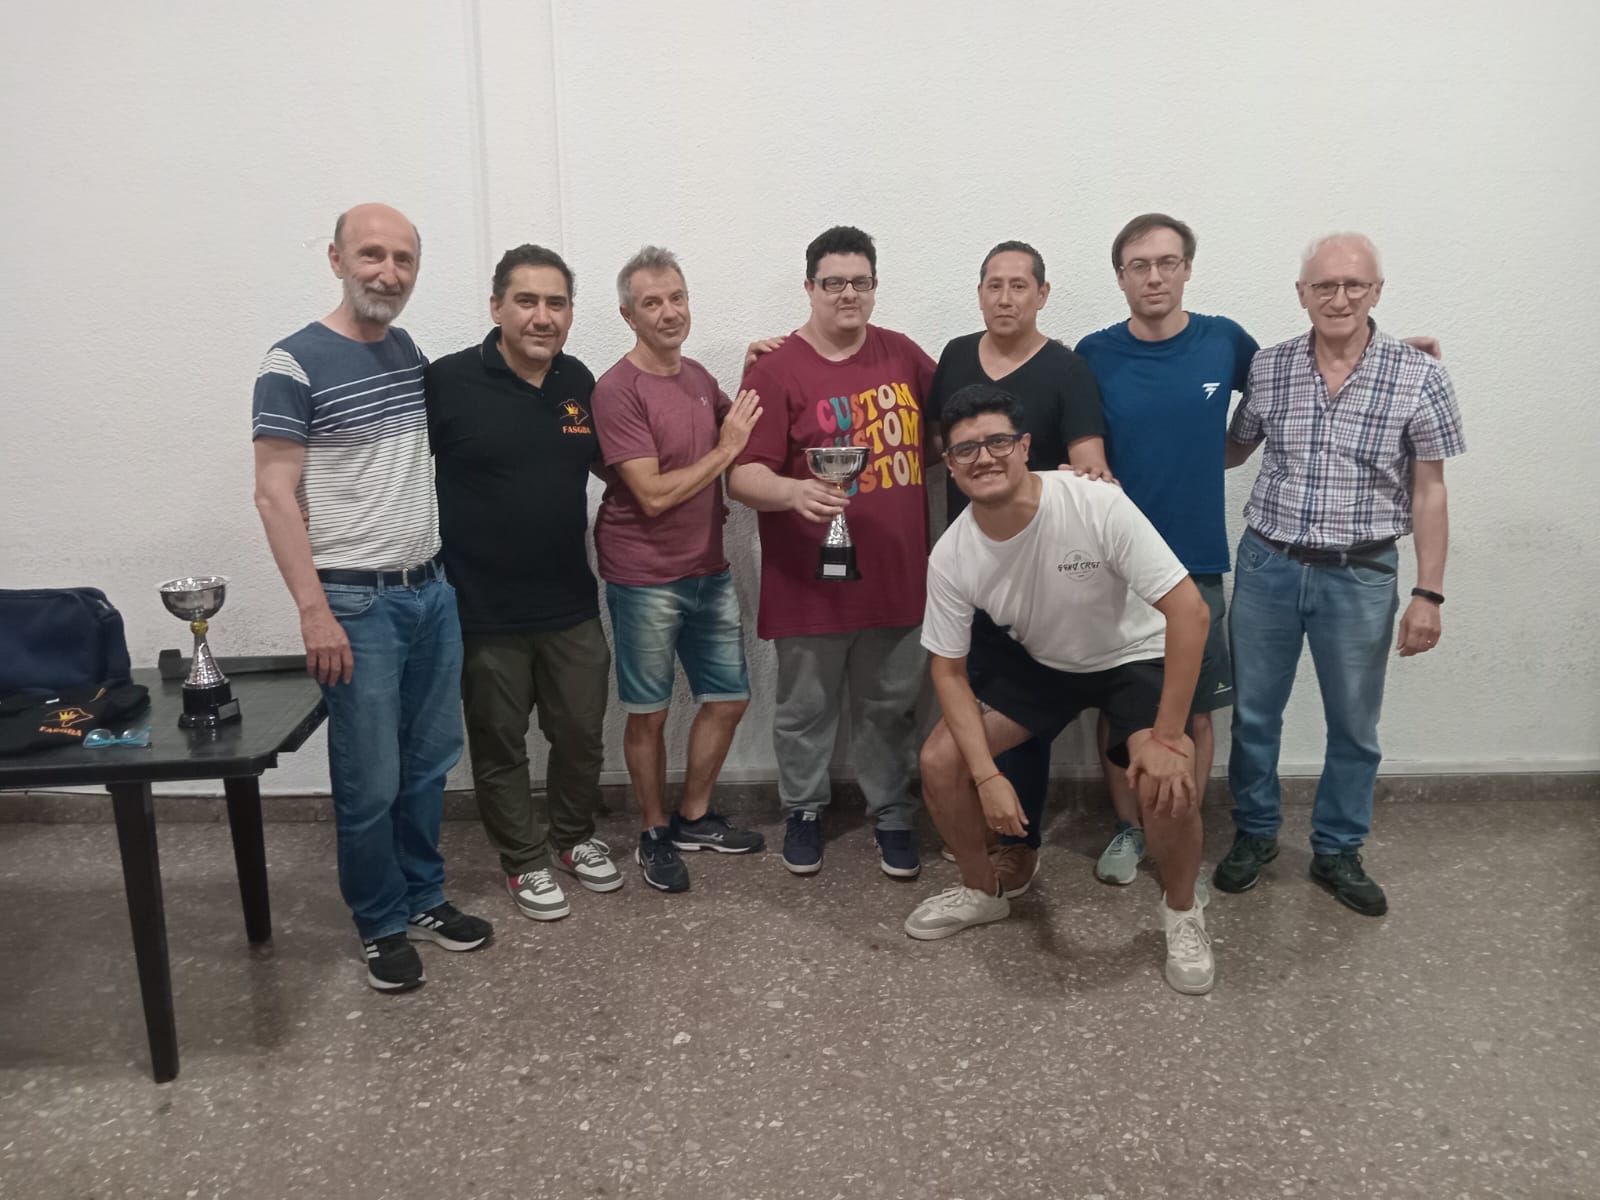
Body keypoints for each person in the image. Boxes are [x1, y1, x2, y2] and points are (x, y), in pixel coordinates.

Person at [252, 203, 492, 994]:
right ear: (336, 258)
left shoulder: (405, 350)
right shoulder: (293, 363)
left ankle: (423, 896)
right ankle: (381, 922)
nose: (388, 273)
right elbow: (274, 494)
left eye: (403, 259)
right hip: (355, 605)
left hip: (431, 592)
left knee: (429, 766)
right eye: (371, 255)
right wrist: (313, 610)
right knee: (371, 780)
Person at [907, 384, 1217, 994]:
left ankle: (1183, 912)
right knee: (941, 761)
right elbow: (947, 670)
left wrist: (1167, 737)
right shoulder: (952, 554)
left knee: (1166, 776)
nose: (984, 457)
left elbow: (1190, 611)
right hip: (1046, 661)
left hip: (1134, 654)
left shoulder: (1093, 502)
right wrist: (987, 777)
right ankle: (982, 891)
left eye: (998, 442)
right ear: (950, 464)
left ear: (1025, 447)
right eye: (966, 449)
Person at [1215, 233, 1464, 917]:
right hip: (1267, 563)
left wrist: (1429, 593)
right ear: (1302, 293)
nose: (1340, 298)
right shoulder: (1270, 367)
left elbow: (1431, 490)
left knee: (1354, 725)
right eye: (1324, 285)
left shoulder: (1419, 375)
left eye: (1355, 284)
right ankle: (1256, 833)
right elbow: (1234, 449)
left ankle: (1338, 848)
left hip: (1361, 574)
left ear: (1377, 290)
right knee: (1254, 715)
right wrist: (1157, 431)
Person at [728, 226, 934, 879]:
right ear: (810, 287)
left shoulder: (903, 355)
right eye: (834, 282)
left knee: (890, 709)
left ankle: (893, 812)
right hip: (808, 582)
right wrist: (792, 490)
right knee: (804, 710)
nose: (849, 293)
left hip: (897, 578)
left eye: (860, 282)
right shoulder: (776, 369)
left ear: (874, 287)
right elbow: (740, 476)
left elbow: (959, 423)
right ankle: (804, 810)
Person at [427, 244, 618, 924]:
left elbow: (624, 462)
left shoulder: (578, 380)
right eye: (527, 301)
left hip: (570, 602)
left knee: (582, 734)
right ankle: (523, 859)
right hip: (483, 610)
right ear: (497, 307)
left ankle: (571, 837)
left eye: (556, 303)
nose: (543, 316)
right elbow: (397, 467)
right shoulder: (448, 380)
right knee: (500, 744)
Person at [923, 239, 1111, 896]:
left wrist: (1081, 491)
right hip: (971, 564)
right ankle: (983, 815)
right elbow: (930, 444)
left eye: (1019, 286)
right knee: (972, 691)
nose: (1005, 298)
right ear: (979, 293)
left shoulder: (1067, 368)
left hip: (1042, 574)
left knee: (1019, 712)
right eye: (993, 285)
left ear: (1042, 294)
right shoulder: (954, 356)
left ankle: (1019, 845)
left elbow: (1091, 465)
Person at [1075, 214, 1257, 888]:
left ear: (1187, 268)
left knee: (1195, 711)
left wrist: (1382, 352)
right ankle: (1129, 828)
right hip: (1114, 564)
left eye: (1167, 262)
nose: (1154, 277)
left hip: (1196, 560)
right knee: (1121, 709)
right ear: (1120, 276)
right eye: (1139, 265)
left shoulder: (1224, 341)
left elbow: (1297, 381)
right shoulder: (1093, 353)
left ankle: (1180, 832)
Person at [591, 246, 766, 893]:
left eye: (677, 297)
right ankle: (654, 831)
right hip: (643, 577)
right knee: (650, 713)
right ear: (628, 315)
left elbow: (734, 424)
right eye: (652, 303)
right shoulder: (616, 390)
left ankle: (694, 817)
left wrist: (754, 373)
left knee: (729, 697)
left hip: (707, 569)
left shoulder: (695, 375)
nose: (669, 312)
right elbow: (654, 495)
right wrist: (726, 450)